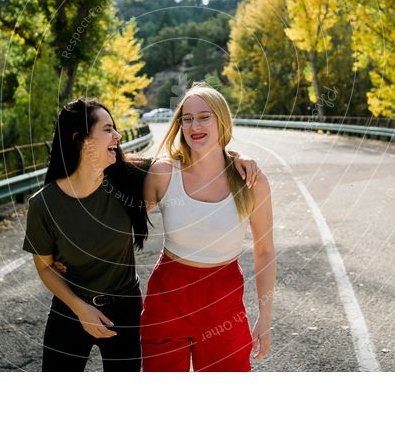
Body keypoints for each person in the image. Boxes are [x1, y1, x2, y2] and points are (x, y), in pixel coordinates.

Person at [22, 97, 260, 372]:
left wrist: (237, 157)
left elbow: (194, 157)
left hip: (125, 310)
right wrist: (80, 308)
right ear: (80, 139)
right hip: (69, 311)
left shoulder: (128, 176)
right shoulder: (43, 205)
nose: (118, 135)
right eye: (108, 129)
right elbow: (45, 268)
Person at [141, 83, 276, 372]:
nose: (194, 125)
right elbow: (124, 223)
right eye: (187, 119)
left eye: (204, 117)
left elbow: (264, 251)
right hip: (168, 296)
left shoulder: (251, 181)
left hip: (223, 299)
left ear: (221, 120)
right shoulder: (164, 173)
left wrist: (265, 317)